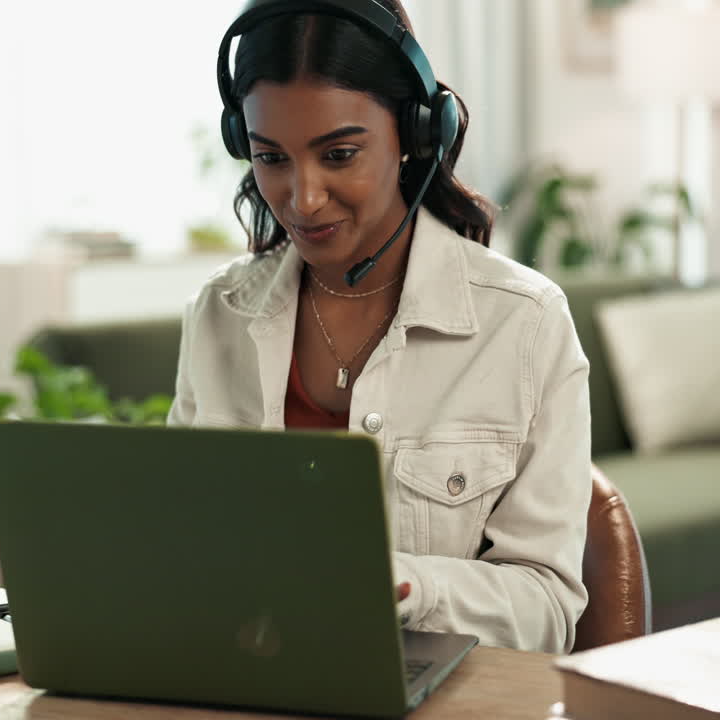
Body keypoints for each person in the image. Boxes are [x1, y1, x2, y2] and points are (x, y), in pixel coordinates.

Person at [167, 0, 592, 654]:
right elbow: (186, 549)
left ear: (416, 134)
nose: (302, 199)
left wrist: (408, 587)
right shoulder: (218, 315)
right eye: (271, 157)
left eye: (338, 154)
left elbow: (547, 611)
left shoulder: (525, 325)